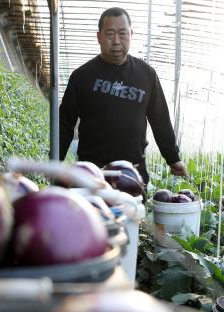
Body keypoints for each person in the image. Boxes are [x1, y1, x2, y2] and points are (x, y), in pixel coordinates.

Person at [59, 7, 188, 185]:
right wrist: (54, 162)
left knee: (133, 212)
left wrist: (173, 157)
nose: (117, 41)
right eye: (110, 34)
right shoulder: (82, 76)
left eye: (123, 34)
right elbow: (64, 124)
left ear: (131, 35)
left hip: (133, 175)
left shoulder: (146, 75)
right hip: (92, 176)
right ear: (99, 37)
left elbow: (160, 119)